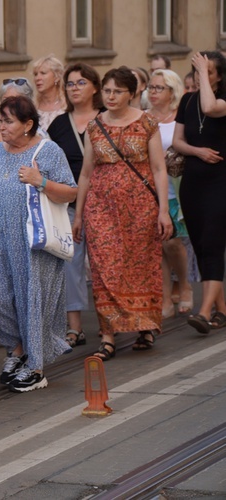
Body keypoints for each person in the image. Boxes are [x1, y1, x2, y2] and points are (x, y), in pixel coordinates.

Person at [0, 96, 77, 392]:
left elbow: (70, 192)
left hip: (34, 247)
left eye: (8, 121)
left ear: (28, 124)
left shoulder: (47, 151)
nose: (0, 127)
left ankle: (36, 368)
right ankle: (17, 350)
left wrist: (40, 181)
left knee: (32, 304)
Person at [73, 67, 173, 361]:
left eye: (118, 91)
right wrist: (78, 215)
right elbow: (86, 173)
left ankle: (145, 326)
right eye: (107, 91)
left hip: (141, 207)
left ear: (132, 93)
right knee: (105, 269)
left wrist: (163, 211)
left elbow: (158, 168)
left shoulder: (147, 122)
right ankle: (107, 335)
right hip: (100, 207)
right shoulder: (95, 125)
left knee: (140, 266)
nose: (111, 96)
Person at [47, 62, 103, 348]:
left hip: (106, 202)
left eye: (81, 82)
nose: (75, 88)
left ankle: (110, 324)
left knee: (107, 264)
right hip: (69, 204)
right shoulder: (58, 124)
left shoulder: (107, 118)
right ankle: (75, 327)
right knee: (71, 265)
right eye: (70, 84)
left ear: (95, 87)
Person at [172, 51, 226, 334]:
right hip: (193, 181)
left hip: (221, 181)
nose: (199, 73)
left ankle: (204, 313)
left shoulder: (220, 100)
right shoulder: (186, 101)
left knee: (213, 243)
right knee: (202, 245)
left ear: (218, 76)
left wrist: (202, 74)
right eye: (196, 68)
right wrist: (198, 151)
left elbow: (209, 107)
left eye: (208, 70)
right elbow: (178, 141)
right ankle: (222, 309)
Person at [147, 69, 193, 318]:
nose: (152, 92)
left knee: (173, 242)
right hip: (148, 191)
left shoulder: (179, 118)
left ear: (172, 92)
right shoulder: (143, 118)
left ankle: (184, 284)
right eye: (151, 87)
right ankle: (165, 297)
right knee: (158, 247)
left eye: (158, 88)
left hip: (173, 189)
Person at [32, 55, 66, 130]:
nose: (37, 78)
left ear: (57, 77)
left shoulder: (67, 106)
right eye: (35, 74)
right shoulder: (32, 108)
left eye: (43, 73)